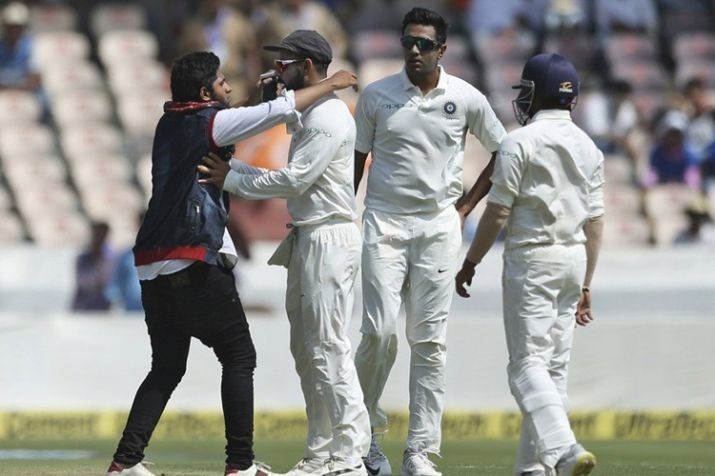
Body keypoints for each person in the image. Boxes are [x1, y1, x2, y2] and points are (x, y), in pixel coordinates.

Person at [105, 51, 357, 476]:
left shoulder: (171, 123)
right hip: (193, 259)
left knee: (166, 367)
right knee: (240, 358)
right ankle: (240, 465)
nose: (228, 87)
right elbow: (273, 112)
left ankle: (125, 462)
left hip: (152, 264)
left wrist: (256, 105)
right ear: (205, 93)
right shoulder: (210, 120)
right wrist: (332, 84)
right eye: (222, 82)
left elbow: (241, 119)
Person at [198, 29, 370, 476]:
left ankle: (351, 455)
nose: (277, 69)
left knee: (329, 346)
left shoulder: (330, 117)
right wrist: (278, 105)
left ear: (308, 67)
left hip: (329, 239)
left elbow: (294, 180)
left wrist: (230, 174)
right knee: (307, 349)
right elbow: (297, 128)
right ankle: (321, 453)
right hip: (308, 238)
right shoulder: (313, 112)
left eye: (285, 63)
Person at [352, 7, 507, 476]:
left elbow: (504, 151)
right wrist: (343, 220)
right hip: (384, 224)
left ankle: (419, 451)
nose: (414, 51)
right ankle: (366, 442)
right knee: (377, 333)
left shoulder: (465, 96)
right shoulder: (377, 96)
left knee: (430, 342)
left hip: (439, 227)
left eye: (424, 44)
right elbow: (356, 163)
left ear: (442, 49)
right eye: (408, 42)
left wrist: (465, 208)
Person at [455, 52, 604, 476]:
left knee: (526, 366)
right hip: (574, 259)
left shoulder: (520, 142)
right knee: (552, 371)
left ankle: (564, 448)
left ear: (535, 93)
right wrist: (587, 282)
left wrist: (470, 261)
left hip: (533, 259)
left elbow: (498, 212)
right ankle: (533, 468)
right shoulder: (589, 147)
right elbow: (595, 222)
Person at [71, 221, 115, 311]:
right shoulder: (82, 258)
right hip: (83, 307)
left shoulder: (111, 258)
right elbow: (84, 283)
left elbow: (111, 286)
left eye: (102, 234)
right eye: (96, 233)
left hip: (103, 309)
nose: (98, 237)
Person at [0, 1, 40, 92]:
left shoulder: (31, 45)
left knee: (43, 100)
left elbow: (36, 76)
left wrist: (21, 89)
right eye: (11, 27)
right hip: (2, 88)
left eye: (17, 27)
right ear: (5, 27)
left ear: (23, 28)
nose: (14, 31)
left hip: (24, 88)